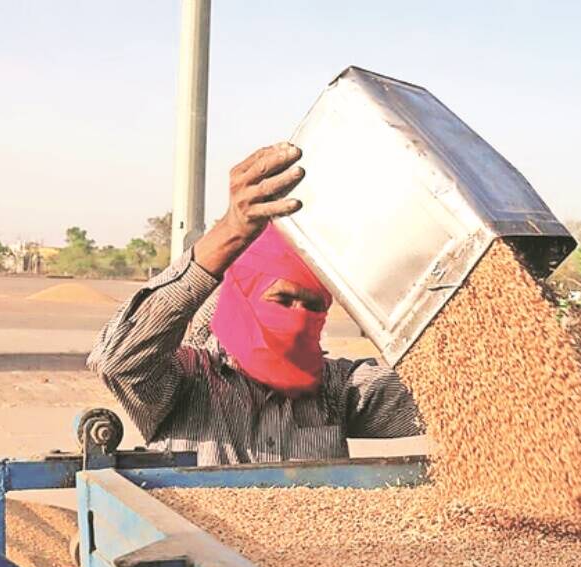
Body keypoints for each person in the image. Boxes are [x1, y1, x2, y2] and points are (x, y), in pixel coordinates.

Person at [88, 143, 422, 464]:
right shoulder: (188, 380)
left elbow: (445, 397)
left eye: (313, 306)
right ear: (243, 295)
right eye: (283, 298)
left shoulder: (333, 390)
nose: (298, 317)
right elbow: (119, 360)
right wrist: (230, 232)